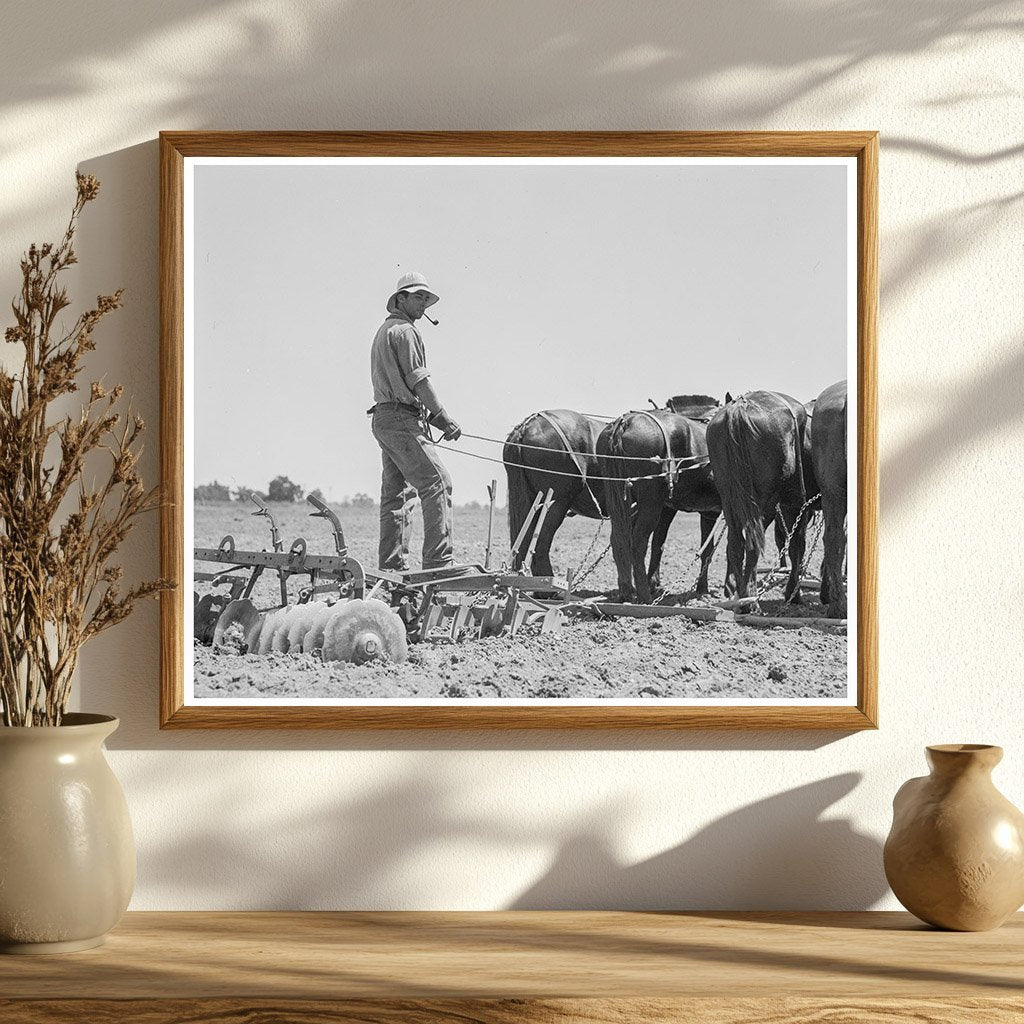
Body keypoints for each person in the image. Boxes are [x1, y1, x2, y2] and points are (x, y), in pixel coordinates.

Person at [368, 272, 462, 572]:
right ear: (401, 299)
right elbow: (418, 381)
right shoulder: (406, 331)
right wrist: (444, 418)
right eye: (418, 296)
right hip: (401, 419)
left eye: (426, 298)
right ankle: (439, 562)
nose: (424, 303)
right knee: (438, 483)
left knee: (397, 496)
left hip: (385, 418)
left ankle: (392, 570)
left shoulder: (384, 331)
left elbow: (400, 385)